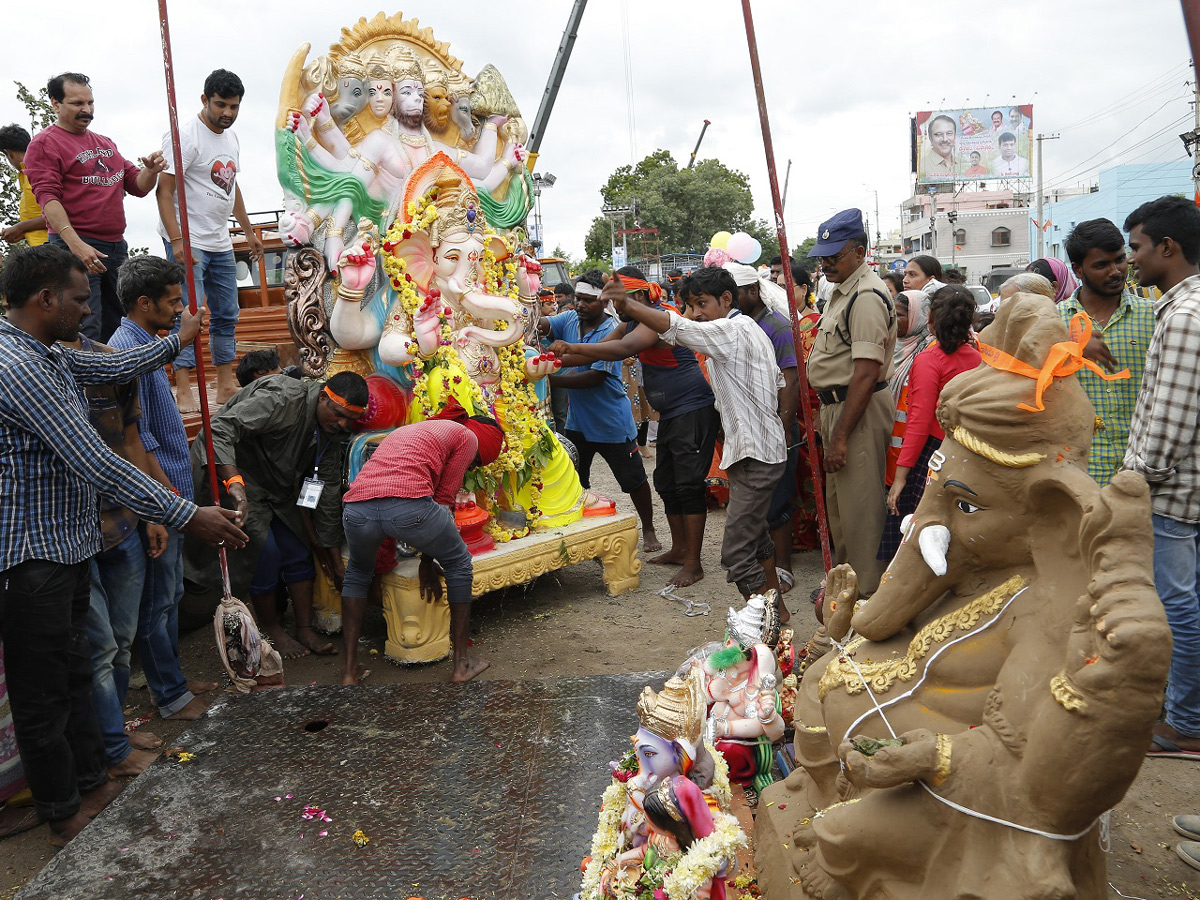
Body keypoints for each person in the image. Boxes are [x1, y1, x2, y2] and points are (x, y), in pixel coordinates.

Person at [0, 244, 245, 846]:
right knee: (43, 695)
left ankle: (91, 779)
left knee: (78, 673)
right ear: (46, 298)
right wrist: (187, 514)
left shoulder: (49, 352)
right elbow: (93, 460)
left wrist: (174, 342)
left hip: (68, 543)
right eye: (81, 300)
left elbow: (108, 370)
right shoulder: (17, 365)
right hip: (31, 558)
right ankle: (62, 811)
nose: (89, 313)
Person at [603, 266, 788, 611]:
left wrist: (628, 305)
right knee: (756, 535)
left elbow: (677, 327)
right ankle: (777, 609)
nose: (696, 313)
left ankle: (767, 625)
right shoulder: (747, 327)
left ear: (726, 299)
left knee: (735, 552)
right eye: (690, 304)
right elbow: (776, 383)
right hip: (755, 450)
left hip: (756, 455)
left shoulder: (731, 329)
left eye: (702, 303)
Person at [549, 271, 719, 588]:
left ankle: (694, 562)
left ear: (637, 297)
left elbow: (619, 350)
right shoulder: (629, 323)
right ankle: (680, 549)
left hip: (691, 409)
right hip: (671, 413)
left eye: (616, 300)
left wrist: (569, 348)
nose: (613, 307)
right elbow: (597, 348)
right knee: (666, 481)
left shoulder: (660, 318)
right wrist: (546, 363)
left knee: (687, 485)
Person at [111, 256, 224, 723]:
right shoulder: (126, 350)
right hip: (160, 497)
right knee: (157, 602)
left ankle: (171, 681)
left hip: (170, 492)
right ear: (144, 303)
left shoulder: (150, 343)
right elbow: (140, 441)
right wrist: (168, 505)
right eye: (174, 301)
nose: (180, 310)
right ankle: (170, 694)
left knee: (171, 595)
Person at [193, 371, 368, 659]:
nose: (342, 424)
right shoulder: (282, 398)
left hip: (280, 487)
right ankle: (272, 629)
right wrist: (234, 482)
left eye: (350, 419)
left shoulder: (334, 431)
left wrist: (335, 561)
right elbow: (218, 430)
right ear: (323, 397)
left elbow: (325, 494)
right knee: (266, 551)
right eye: (338, 414)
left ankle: (303, 628)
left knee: (298, 549)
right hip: (238, 476)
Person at [340, 400, 503, 684]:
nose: (471, 466)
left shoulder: (413, 430)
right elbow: (443, 500)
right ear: (481, 446)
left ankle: (350, 670)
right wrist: (429, 559)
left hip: (356, 510)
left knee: (357, 573)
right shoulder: (467, 437)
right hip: (408, 509)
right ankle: (462, 665)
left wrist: (427, 558)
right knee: (459, 563)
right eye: (475, 462)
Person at [1121, 195, 1200, 760]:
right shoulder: (1179, 308)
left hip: (1171, 495)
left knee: (1177, 607)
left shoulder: (1184, 317)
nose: (1131, 261)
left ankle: (1184, 723)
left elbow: (1167, 425)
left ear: (1167, 248)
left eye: (1137, 248)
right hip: (1179, 491)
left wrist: (1133, 483)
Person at [68, 331, 167, 776]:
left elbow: (130, 441)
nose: (88, 309)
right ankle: (111, 749)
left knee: (122, 642)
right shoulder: (32, 365)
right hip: (71, 533)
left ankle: (116, 733)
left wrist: (152, 514)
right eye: (77, 298)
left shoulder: (111, 361)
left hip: (122, 522)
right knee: (100, 648)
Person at [24, 73, 167, 340]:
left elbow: (137, 185)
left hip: (115, 247)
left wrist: (151, 170)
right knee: (86, 326)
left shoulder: (104, 143)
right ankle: (85, 383)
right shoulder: (44, 144)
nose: (87, 110)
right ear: (55, 103)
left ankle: (117, 381)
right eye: (77, 103)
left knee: (120, 325)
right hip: (75, 246)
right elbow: (48, 199)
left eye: (90, 102)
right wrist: (76, 245)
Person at [157, 69, 264, 411]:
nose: (228, 113)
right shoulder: (185, 136)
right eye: (221, 105)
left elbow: (231, 187)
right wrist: (177, 241)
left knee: (227, 313)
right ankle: (185, 385)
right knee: (188, 312)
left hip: (220, 241)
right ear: (204, 100)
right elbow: (164, 191)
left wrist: (248, 232)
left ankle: (224, 382)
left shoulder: (231, 138)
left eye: (234, 106)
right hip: (189, 239)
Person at [806, 208, 897, 598]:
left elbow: (864, 372)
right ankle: (847, 590)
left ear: (859, 252)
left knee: (863, 514)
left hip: (855, 411)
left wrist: (840, 436)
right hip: (839, 410)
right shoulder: (842, 291)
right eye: (821, 256)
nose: (825, 263)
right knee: (842, 511)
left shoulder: (866, 296)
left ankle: (866, 601)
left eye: (833, 256)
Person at [540, 273, 661, 553]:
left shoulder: (612, 328)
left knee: (633, 480)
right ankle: (579, 532)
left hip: (610, 422)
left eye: (588, 301)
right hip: (577, 423)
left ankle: (649, 528)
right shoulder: (570, 320)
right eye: (578, 299)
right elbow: (545, 325)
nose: (581, 305)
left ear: (603, 302)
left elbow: (593, 377)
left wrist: (548, 379)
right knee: (573, 480)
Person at [881, 286, 980, 557]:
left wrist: (900, 478)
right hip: (970, 453)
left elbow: (919, 423)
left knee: (917, 534)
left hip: (933, 456)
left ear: (932, 320)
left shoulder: (929, 360)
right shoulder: (978, 358)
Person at [1058, 218, 1154, 485]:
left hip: (1143, 475)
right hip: (1079, 477)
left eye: (1120, 259)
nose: (1116, 271)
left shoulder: (1153, 317)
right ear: (1078, 269)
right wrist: (1068, 348)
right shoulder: (1054, 325)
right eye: (1101, 265)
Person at [728, 261, 801, 597]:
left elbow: (790, 378)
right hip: (753, 429)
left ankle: (782, 568)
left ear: (753, 291)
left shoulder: (777, 326)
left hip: (776, 425)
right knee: (759, 509)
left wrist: (784, 425)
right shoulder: (739, 324)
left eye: (737, 293)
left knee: (778, 503)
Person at [885, 290, 934, 487]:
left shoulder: (928, 351)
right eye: (892, 314)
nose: (893, 320)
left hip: (913, 450)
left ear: (918, 317)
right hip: (888, 445)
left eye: (900, 315)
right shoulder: (890, 344)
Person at [0, 125, 48, 246]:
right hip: (42, 248)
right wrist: (23, 231)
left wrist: (20, 227)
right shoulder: (25, 175)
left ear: (8, 153)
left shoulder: (39, 171)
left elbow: (61, 214)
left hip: (54, 247)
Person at [921, 114, 958, 180]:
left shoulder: (964, 163)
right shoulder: (922, 166)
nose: (945, 139)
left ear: (954, 136)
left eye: (949, 133)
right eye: (938, 134)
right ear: (930, 138)